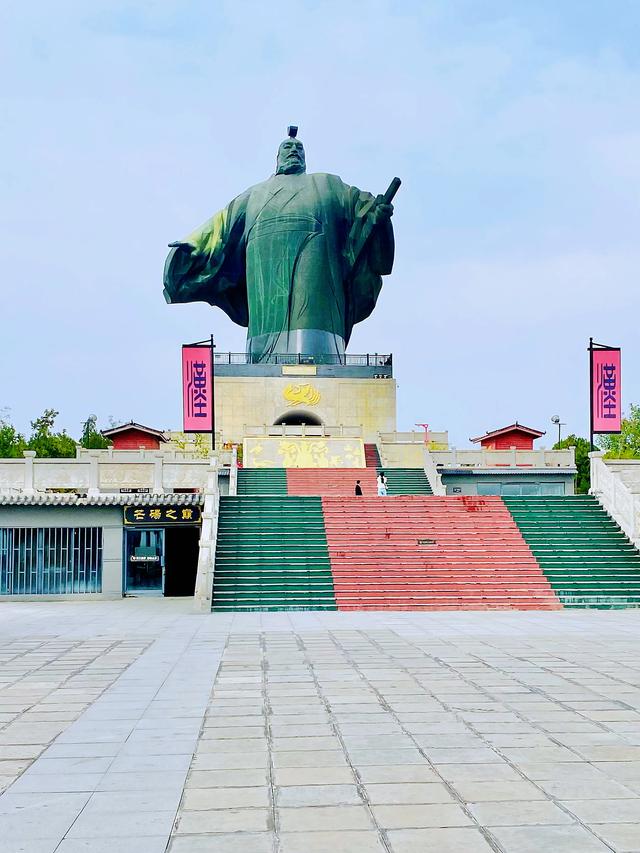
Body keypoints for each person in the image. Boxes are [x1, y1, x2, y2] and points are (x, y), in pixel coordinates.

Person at [164, 127, 395, 362]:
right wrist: (193, 247)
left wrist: (376, 213)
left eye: (299, 148)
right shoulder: (253, 195)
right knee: (267, 331)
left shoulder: (328, 184)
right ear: (277, 158)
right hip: (265, 277)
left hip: (316, 267)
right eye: (288, 147)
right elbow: (220, 227)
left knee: (312, 328)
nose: (294, 151)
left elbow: (362, 209)